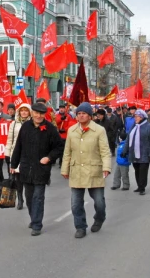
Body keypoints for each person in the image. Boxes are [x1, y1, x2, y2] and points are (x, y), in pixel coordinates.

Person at [10, 102, 64, 236]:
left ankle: (37, 224)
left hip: (41, 169)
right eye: (36, 113)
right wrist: (13, 164)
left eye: (41, 113)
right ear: (32, 113)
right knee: (28, 197)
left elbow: (59, 147)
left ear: (44, 114)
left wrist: (49, 158)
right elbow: (18, 146)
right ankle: (33, 217)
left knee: (38, 197)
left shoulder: (50, 128)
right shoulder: (26, 126)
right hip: (26, 167)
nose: (38, 116)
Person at [61, 102, 111, 238]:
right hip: (76, 170)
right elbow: (67, 152)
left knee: (99, 202)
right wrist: (64, 169)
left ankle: (99, 218)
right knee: (76, 204)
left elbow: (105, 151)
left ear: (90, 116)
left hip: (94, 170)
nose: (81, 116)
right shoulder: (72, 130)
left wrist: (106, 167)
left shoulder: (99, 130)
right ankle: (80, 227)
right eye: (79, 114)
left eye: (84, 113)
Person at [121, 109, 150, 195]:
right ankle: (139, 186)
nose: (135, 118)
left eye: (137, 116)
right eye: (135, 116)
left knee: (143, 171)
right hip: (134, 153)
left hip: (145, 154)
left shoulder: (149, 126)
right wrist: (124, 150)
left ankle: (142, 187)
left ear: (141, 117)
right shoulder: (134, 126)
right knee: (137, 170)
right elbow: (128, 138)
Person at [4, 103, 32, 210]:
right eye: (22, 110)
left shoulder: (33, 123)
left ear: (29, 112)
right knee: (17, 178)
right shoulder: (14, 124)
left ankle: (29, 198)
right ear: (19, 112)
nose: (24, 112)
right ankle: (20, 198)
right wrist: (7, 154)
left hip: (28, 154)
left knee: (28, 178)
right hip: (16, 154)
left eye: (26, 110)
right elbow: (10, 140)